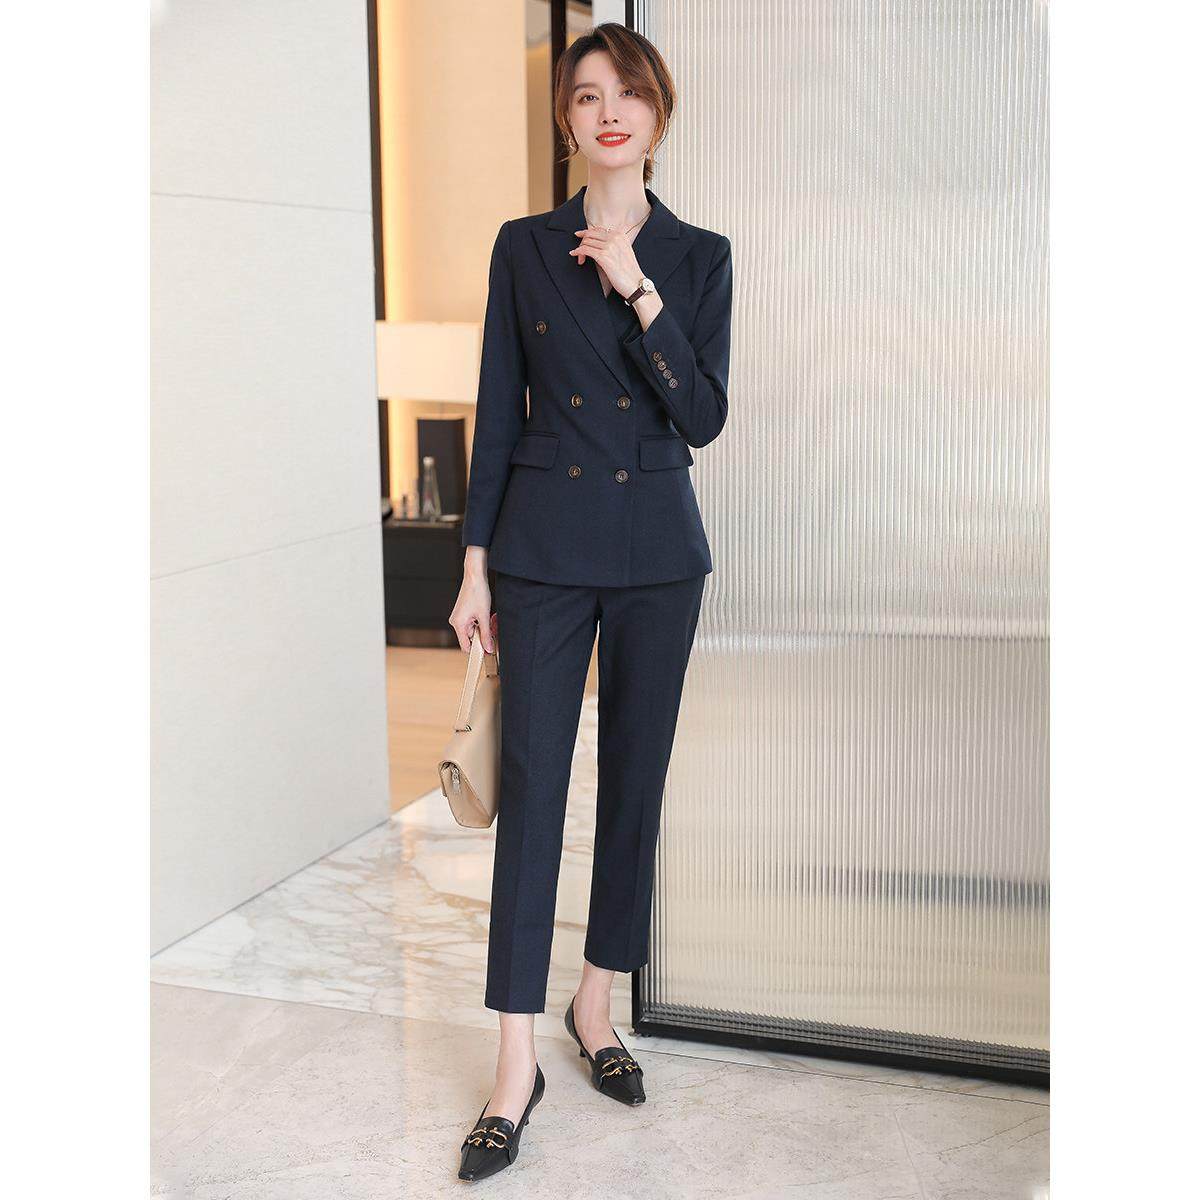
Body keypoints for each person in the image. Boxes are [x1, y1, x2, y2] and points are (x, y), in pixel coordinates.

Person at [448, 21, 733, 1181]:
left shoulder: (700, 257)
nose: (607, 110)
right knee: (533, 795)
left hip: (659, 552)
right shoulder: (522, 248)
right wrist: (474, 564)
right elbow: (497, 409)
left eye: (628, 93)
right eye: (585, 95)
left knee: (634, 789)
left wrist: (636, 287)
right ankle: (513, 1063)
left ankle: (596, 1005)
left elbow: (703, 415)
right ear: (566, 122)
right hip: (542, 551)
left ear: (658, 115)